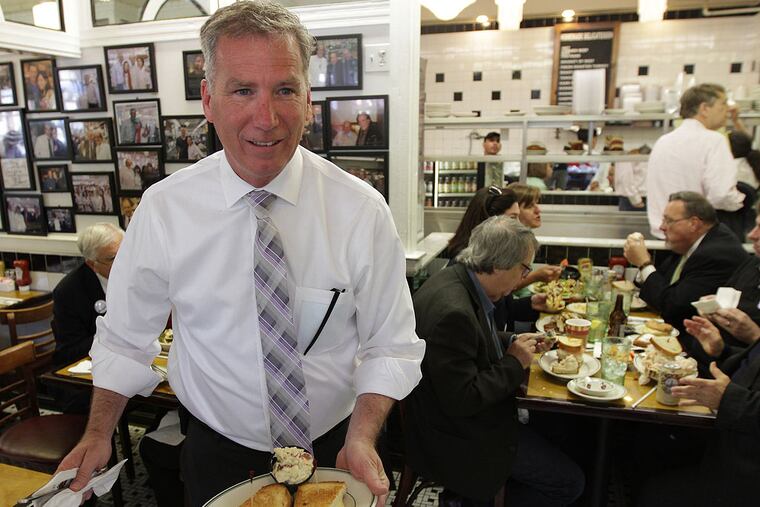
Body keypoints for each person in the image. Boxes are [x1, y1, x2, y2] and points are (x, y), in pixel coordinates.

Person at [57, 2, 424, 505]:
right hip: (218, 450)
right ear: (209, 100)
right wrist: (98, 434)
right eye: (243, 90)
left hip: (336, 447)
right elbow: (125, 340)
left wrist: (363, 435)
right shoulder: (165, 210)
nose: (266, 117)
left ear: (309, 99)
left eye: (285, 90)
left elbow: (391, 345)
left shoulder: (361, 210)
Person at [407, 216, 584, 506]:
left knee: (561, 433)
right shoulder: (453, 312)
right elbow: (463, 399)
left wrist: (512, 342)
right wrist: (514, 363)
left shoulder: (457, 278)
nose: (525, 277)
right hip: (457, 437)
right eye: (524, 268)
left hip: (451, 418)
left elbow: (471, 342)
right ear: (500, 265)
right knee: (569, 483)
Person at [635, 308, 759, 506]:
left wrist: (728, 398)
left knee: (655, 492)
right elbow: (751, 365)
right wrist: (721, 351)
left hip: (744, 469)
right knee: (646, 443)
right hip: (724, 439)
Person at [623, 191, 748, 358]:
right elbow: (663, 285)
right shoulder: (691, 243)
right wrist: (644, 268)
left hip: (699, 351)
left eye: (669, 221)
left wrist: (644, 263)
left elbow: (672, 305)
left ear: (694, 223)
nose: (662, 227)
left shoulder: (716, 252)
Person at [646, 84, 743, 238]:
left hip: (661, 235)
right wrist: (742, 200)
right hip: (693, 237)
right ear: (704, 108)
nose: (728, 111)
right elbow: (721, 195)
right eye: (723, 104)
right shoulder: (713, 140)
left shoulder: (663, 141)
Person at [51, 223, 124, 413]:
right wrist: (112, 332)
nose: (123, 261)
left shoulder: (132, 273)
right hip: (87, 372)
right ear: (92, 264)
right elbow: (70, 350)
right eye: (113, 258)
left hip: (125, 360)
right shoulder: (69, 291)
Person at [506, 183, 562, 297]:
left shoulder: (527, 236)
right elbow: (506, 287)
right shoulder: (509, 242)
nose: (538, 210)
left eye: (536, 203)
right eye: (529, 206)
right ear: (513, 211)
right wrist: (536, 276)